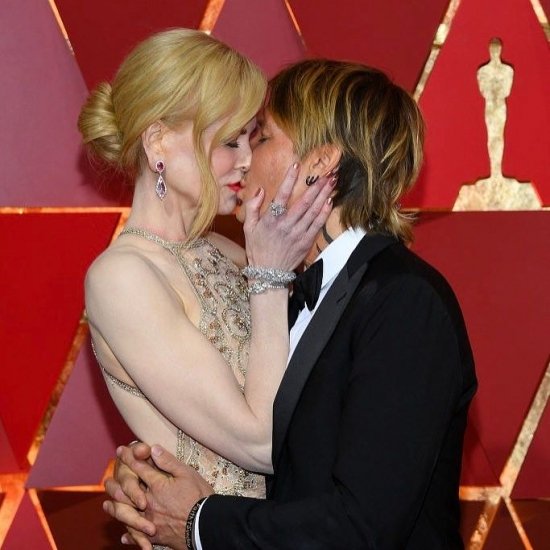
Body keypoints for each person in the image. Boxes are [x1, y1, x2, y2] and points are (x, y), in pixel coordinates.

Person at [105, 60, 477, 549]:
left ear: (319, 164)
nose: (243, 160)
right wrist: (155, 469)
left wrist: (198, 522)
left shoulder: (404, 302)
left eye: (261, 138)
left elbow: (362, 526)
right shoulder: (286, 288)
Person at [78, 27, 334, 511]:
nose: (247, 160)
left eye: (251, 138)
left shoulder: (228, 251)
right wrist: (270, 278)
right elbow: (263, 442)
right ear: (158, 142)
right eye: (230, 141)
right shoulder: (121, 278)